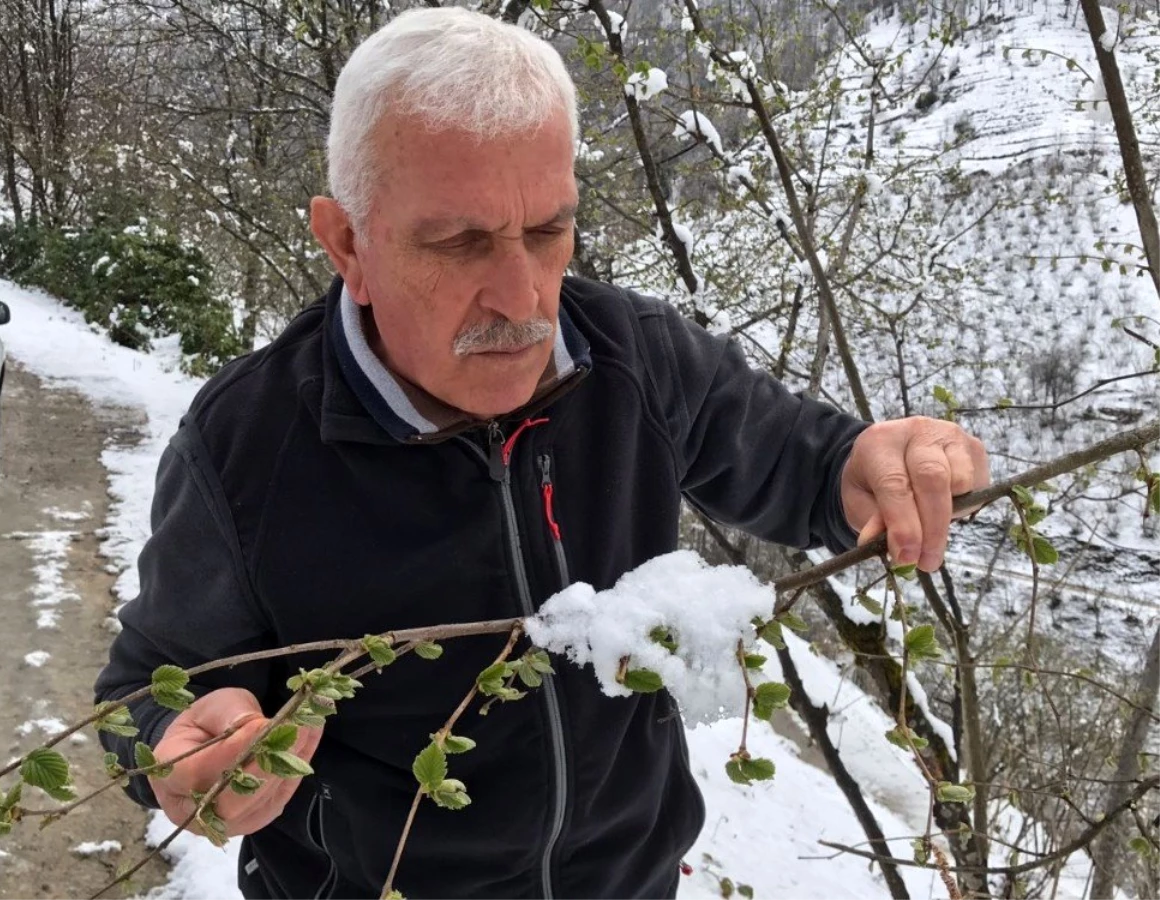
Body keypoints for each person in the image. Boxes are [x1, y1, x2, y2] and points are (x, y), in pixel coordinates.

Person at [95, 8, 989, 900]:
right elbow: (151, 689)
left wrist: (878, 463)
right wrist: (182, 754)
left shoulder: (633, 357)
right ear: (347, 243)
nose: (522, 296)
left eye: (549, 231)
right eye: (460, 242)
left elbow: (800, 464)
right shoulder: (248, 444)